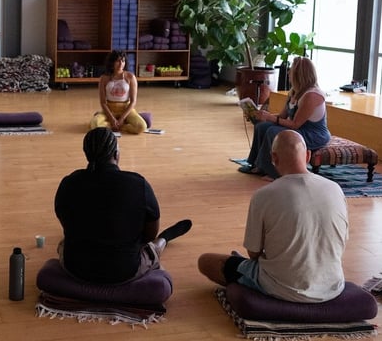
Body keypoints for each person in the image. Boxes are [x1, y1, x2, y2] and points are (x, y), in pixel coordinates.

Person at [199, 130, 347, 303]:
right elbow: (340, 242)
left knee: (206, 261)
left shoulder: (264, 195)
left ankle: (250, 284)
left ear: (274, 158)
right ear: (307, 156)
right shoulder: (335, 189)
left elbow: (253, 253)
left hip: (283, 287)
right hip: (332, 285)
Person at [54, 127, 191, 284]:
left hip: (75, 269)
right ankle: (164, 239)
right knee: (151, 247)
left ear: (86, 155)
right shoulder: (138, 184)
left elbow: (65, 221)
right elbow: (149, 235)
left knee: (64, 244)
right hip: (124, 271)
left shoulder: (69, 183)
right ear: (116, 154)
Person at [241, 55, 330, 178]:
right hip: (299, 129)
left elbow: (295, 124)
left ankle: (273, 172)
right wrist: (262, 116)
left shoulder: (312, 95)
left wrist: (270, 117)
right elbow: (282, 116)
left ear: (299, 74)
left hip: (312, 134)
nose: (288, 72)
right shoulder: (294, 91)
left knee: (273, 131)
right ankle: (256, 164)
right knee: (262, 126)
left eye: (291, 70)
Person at [89, 50, 147, 134]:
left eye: (123, 61)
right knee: (95, 124)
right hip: (109, 108)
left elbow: (133, 101)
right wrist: (112, 119)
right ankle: (113, 124)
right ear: (112, 62)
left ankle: (121, 126)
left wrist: (122, 118)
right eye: (118, 61)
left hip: (126, 108)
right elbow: (103, 102)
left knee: (142, 127)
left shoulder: (130, 77)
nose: (121, 63)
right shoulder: (104, 78)